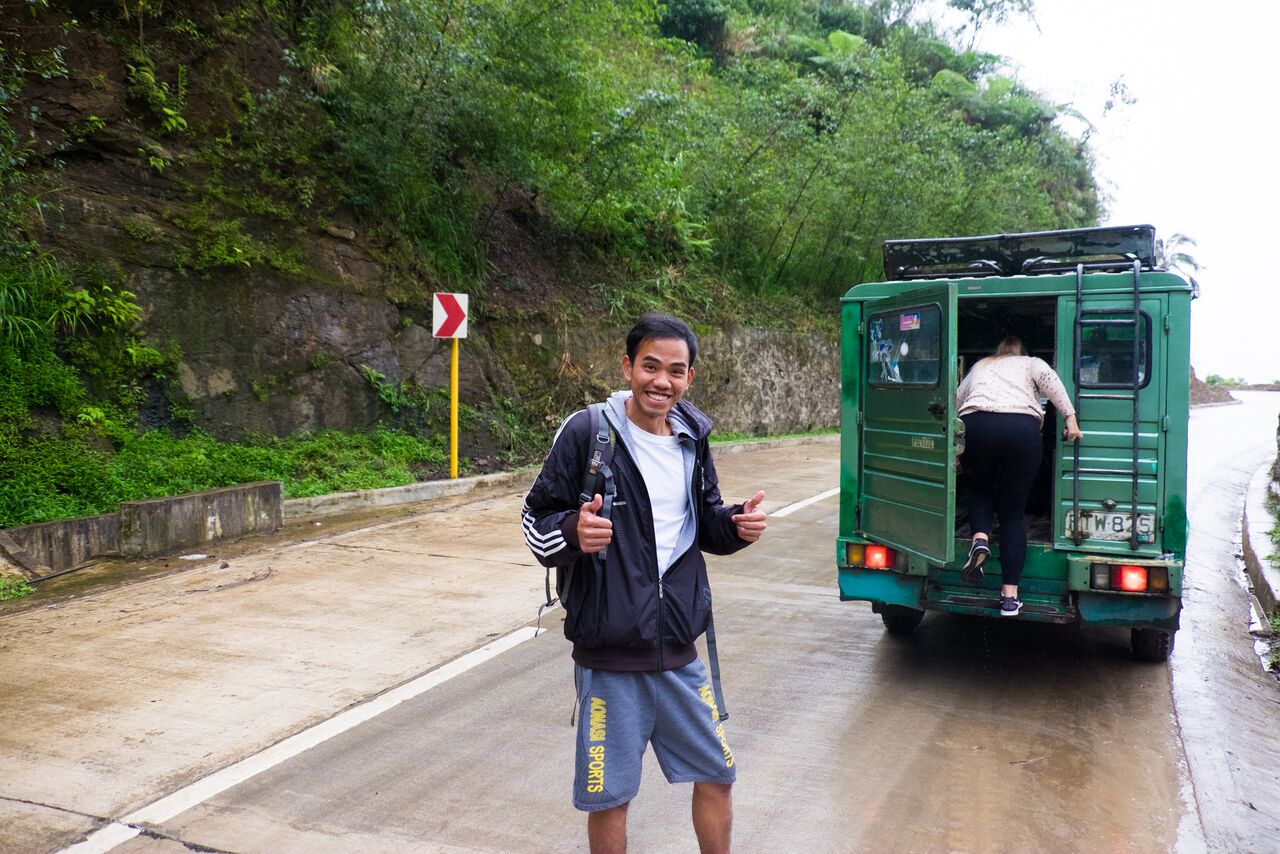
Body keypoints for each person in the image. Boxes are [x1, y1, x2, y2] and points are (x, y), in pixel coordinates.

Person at [522, 313, 767, 854]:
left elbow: (701, 522)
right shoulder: (588, 433)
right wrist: (572, 531)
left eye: (675, 371)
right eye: (650, 366)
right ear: (627, 366)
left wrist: (734, 525)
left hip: (680, 652)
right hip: (609, 658)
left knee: (719, 774)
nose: (662, 381)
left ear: (690, 378)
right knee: (610, 796)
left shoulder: (692, 437)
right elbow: (535, 520)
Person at [955, 335, 1083, 616]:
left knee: (979, 490)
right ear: (1021, 352)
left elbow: (957, 399)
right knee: (1012, 514)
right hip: (1020, 429)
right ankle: (1010, 598)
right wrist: (1070, 420)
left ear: (998, 351)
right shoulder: (1031, 363)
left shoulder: (981, 366)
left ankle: (980, 540)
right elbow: (1052, 384)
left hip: (976, 426)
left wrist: (954, 448)